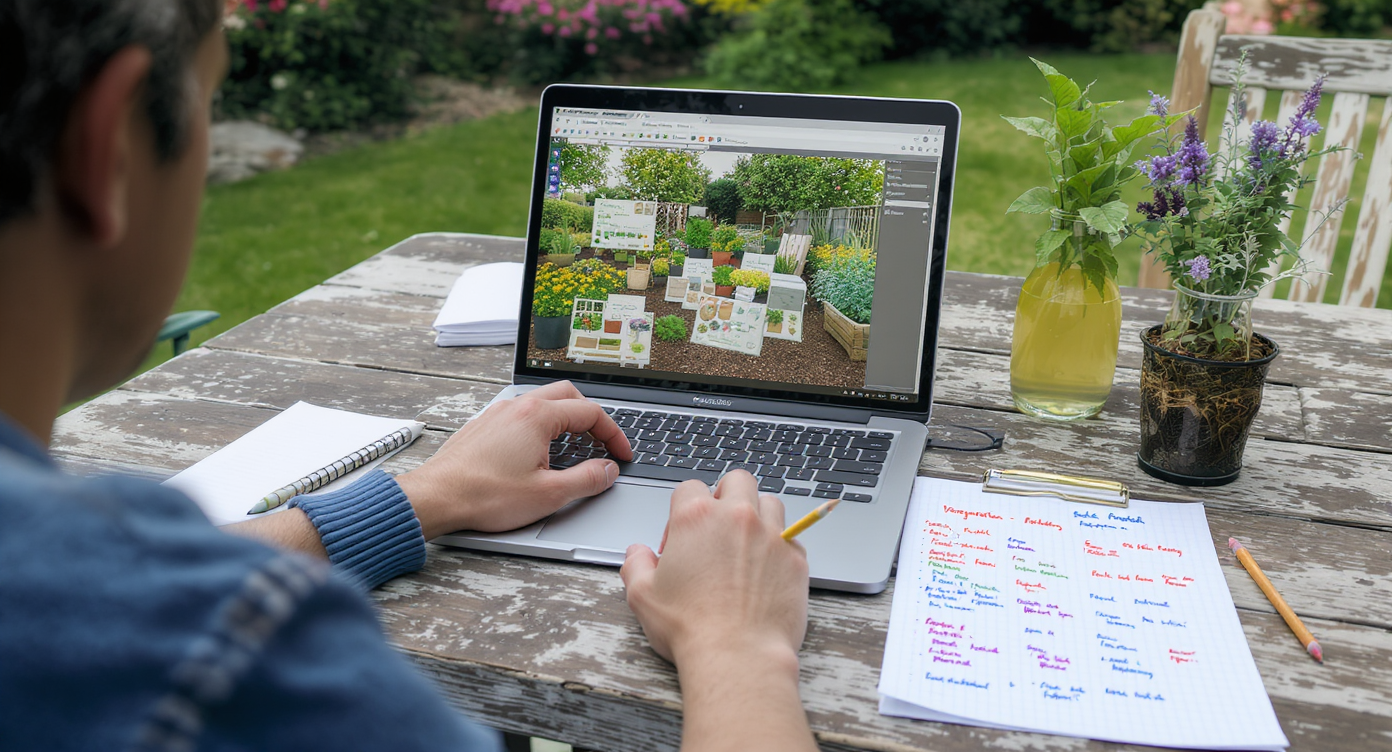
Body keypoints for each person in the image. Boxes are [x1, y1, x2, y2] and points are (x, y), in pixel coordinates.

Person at [0, 2, 818, 750]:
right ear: (104, 148)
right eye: (211, 105)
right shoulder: (236, 668)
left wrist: (425, 495)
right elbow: (159, 605)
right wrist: (736, 649)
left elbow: (137, 590)